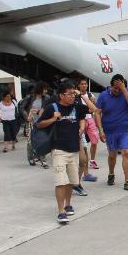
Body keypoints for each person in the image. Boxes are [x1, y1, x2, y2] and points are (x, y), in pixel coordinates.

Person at [37, 83, 87, 223]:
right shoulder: (52, 108)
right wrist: (53, 118)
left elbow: (93, 109)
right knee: (60, 182)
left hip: (74, 149)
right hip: (58, 149)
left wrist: (81, 95)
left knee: (71, 181)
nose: (72, 96)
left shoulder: (77, 107)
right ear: (61, 95)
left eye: (73, 94)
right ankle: (61, 211)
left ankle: (68, 204)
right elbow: (39, 124)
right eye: (69, 94)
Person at [95, 74, 128, 193]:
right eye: (115, 88)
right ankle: (111, 173)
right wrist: (100, 130)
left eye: (119, 88)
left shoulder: (127, 92)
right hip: (110, 130)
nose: (117, 90)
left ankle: (127, 181)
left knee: (126, 152)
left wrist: (123, 89)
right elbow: (97, 113)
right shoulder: (103, 96)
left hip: (125, 129)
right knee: (112, 155)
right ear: (110, 86)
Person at [75, 78, 101, 170]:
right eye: (82, 84)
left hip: (89, 118)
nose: (84, 85)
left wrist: (93, 102)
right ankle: (80, 160)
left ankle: (92, 160)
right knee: (80, 140)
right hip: (80, 119)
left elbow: (95, 108)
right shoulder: (75, 95)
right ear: (78, 85)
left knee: (94, 141)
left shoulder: (90, 95)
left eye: (85, 84)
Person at [23, 82, 50, 167]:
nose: (46, 91)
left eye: (46, 89)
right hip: (31, 123)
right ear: (39, 89)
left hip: (42, 122)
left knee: (43, 141)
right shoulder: (30, 97)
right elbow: (22, 107)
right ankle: (31, 158)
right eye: (44, 89)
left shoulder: (46, 98)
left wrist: (39, 112)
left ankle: (43, 161)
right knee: (30, 142)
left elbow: (48, 109)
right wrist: (27, 116)